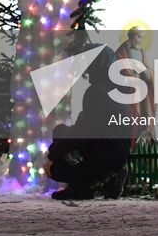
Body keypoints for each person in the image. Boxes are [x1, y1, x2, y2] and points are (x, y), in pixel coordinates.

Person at [46, 44, 130, 200]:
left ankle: (86, 186)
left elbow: (82, 133)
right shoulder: (118, 90)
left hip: (103, 154)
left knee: (56, 169)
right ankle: (104, 178)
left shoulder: (96, 92)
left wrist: (52, 155)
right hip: (117, 153)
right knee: (61, 132)